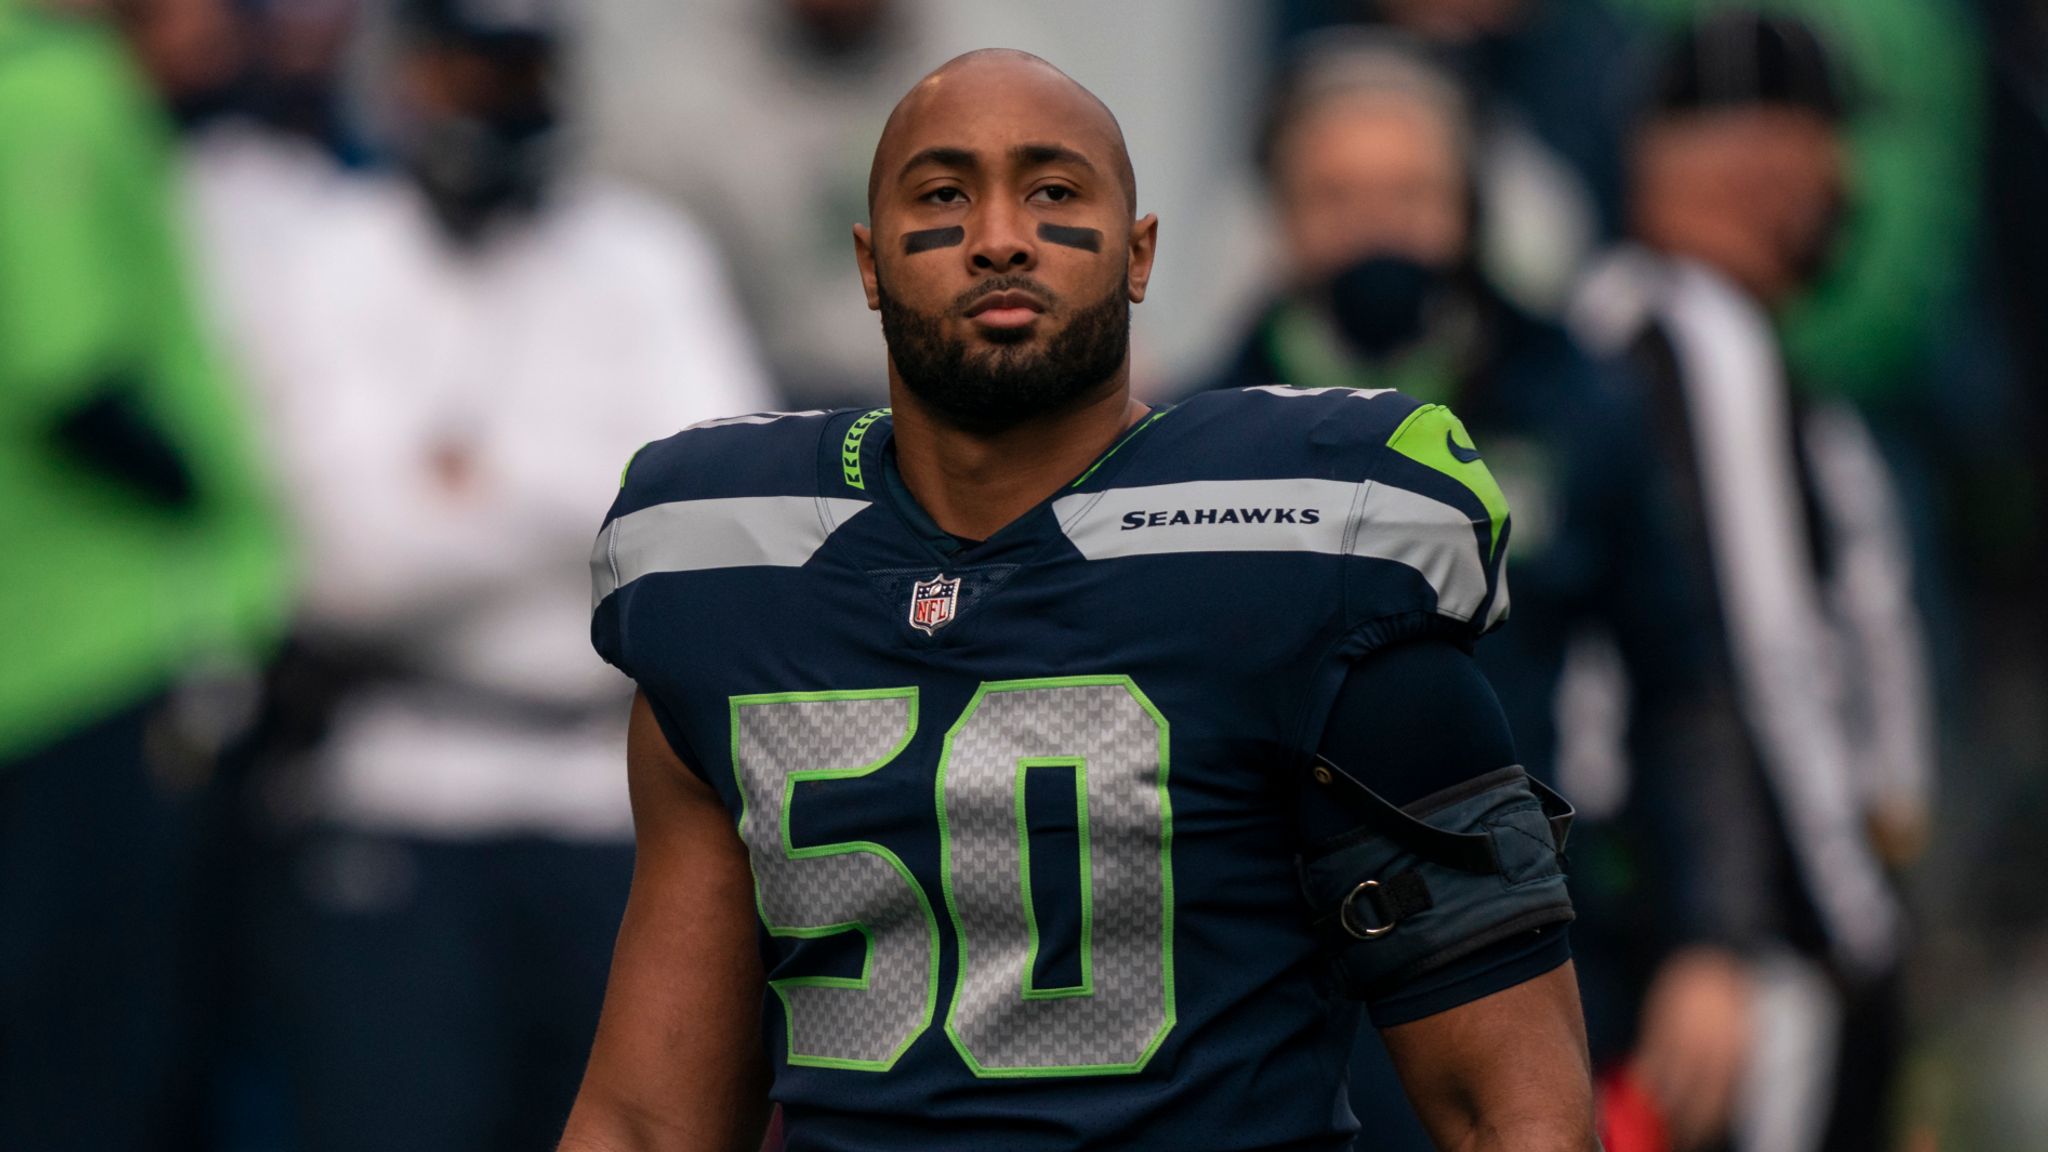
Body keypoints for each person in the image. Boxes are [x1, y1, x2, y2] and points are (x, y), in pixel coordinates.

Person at [561, 48, 1597, 1152]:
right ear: (867, 263)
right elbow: (645, 1117)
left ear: (1139, 252)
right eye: (943, 194)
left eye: (1052, 191)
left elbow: (1514, 1110)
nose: (998, 236)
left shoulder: (1311, 542)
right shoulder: (726, 578)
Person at [1203, 35, 1775, 1152]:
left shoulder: (1576, 406)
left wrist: (1711, 943)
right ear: (1275, 212)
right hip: (1289, 1006)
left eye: (1408, 192)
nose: (1374, 229)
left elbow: (1682, 685)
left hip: (1536, 955)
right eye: (1333, 195)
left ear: (1466, 205)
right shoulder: (1199, 439)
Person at [231, 0, 774, 1147]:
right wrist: (596, 478)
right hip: (396, 786)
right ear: (407, 74)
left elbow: (711, 531)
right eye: (460, 67)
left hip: (610, 800)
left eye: (514, 66)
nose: (485, 97)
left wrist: (468, 476)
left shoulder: (644, 252)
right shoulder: (328, 255)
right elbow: (342, 565)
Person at [1571, 14, 1932, 1151]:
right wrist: (1831, 936)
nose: (1842, 183)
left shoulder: (1646, 333)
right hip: (1729, 973)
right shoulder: (1691, 343)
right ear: (1763, 153)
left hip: (1691, 931)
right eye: (1826, 141)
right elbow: (1742, 653)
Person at [0, 0, 292, 1147]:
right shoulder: (58, 89)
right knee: (102, 1057)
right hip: (97, 648)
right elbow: (72, 373)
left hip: (45, 647)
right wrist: (237, 495)